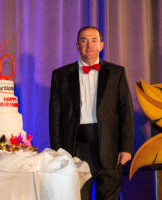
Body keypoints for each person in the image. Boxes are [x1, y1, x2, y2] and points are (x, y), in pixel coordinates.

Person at [49, 26, 134, 199]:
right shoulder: (61, 75)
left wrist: (126, 148)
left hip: (110, 150)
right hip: (75, 150)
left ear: (101, 45)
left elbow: (126, 112)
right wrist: (58, 150)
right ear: (77, 45)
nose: (89, 46)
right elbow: (54, 116)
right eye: (83, 41)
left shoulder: (117, 73)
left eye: (93, 41)